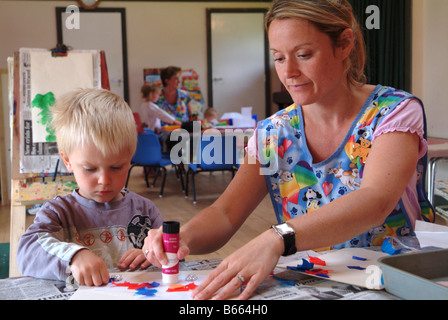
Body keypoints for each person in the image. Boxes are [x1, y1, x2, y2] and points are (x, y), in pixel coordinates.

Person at [142, 0, 434, 300]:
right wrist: (181, 237)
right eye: (279, 58)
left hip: (395, 282)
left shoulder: (392, 112)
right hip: (312, 284)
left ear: (344, 44)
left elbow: (375, 201)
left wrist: (278, 237)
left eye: (304, 54)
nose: (289, 72)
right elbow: (227, 213)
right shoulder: (272, 133)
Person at [17, 88, 164, 286]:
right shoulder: (59, 212)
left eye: (116, 167)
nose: (104, 179)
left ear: (129, 160)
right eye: (89, 168)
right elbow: (27, 252)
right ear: (67, 160)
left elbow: (175, 254)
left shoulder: (145, 210)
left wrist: (155, 256)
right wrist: (73, 256)